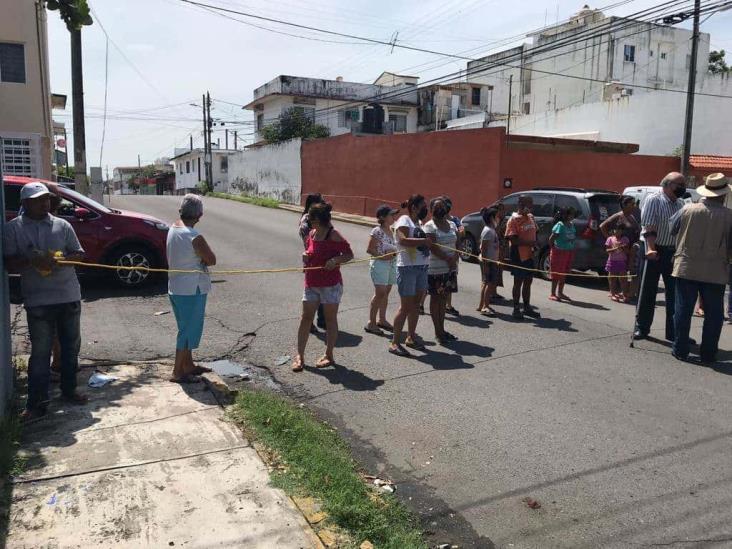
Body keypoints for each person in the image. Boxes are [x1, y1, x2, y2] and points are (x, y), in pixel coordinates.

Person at [3, 182, 87, 420]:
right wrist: (32, 260)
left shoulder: (62, 225)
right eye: (38, 200)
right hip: (38, 301)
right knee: (40, 353)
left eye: (47, 199)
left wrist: (58, 259)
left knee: (71, 348)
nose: (44, 203)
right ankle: (36, 403)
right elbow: (9, 264)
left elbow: (79, 255)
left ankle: (69, 391)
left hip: (68, 296)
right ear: (25, 203)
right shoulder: (13, 229)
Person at [670, 173, 732, 363]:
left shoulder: (687, 209)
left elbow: (673, 229)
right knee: (714, 315)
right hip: (715, 270)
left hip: (686, 266)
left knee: (683, 309)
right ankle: (708, 353)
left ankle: (680, 349)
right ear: (723, 195)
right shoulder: (729, 216)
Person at [293, 203, 353, 371]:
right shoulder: (312, 234)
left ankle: (329, 354)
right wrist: (306, 256)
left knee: (329, 320)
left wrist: (335, 261)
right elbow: (310, 253)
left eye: (309, 218)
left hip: (330, 285)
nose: (308, 221)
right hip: (311, 282)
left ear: (317, 219)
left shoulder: (333, 235)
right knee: (306, 318)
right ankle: (300, 356)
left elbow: (349, 254)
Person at [633, 172, 689, 342]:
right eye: (678, 185)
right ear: (666, 184)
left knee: (674, 292)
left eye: (683, 185)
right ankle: (642, 327)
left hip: (672, 252)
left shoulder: (680, 203)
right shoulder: (654, 199)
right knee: (648, 290)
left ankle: (673, 332)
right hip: (653, 249)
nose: (682, 188)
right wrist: (650, 249)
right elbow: (649, 226)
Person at [167, 194, 216, 383]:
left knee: (184, 327)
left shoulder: (173, 229)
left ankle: (188, 364)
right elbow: (211, 259)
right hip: (191, 289)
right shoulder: (194, 236)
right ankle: (177, 371)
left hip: (176, 286)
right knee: (187, 330)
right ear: (199, 215)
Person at [389, 194, 430, 357]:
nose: (425, 209)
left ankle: (411, 337)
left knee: (416, 305)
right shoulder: (404, 220)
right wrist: (423, 242)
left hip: (421, 267)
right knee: (405, 306)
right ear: (414, 207)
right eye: (423, 206)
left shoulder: (418, 222)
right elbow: (403, 240)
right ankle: (394, 342)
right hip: (407, 268)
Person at [424, 197, 459, 344]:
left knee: (443, 299)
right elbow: (432, 246)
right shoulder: (429, 226)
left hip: (450, 269)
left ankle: (442, 329)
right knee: (436, 299)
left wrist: (455, 257)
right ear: (432, 210)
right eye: (437, 207)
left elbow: (457, 243)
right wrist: (447, 258)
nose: (441, 209)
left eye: (443, 206)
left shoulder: (451, 224)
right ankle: (438, 332)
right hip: (435, 269)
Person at [505, 195, 540, 320]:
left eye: (531, 204)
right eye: (528, 203)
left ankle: (527, 307)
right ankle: (516, 308)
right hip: (518, 255)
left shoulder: (531, 217)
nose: (531, 206)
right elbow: (513, 240)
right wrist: (529, 244)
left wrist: (535, 245)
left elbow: (536, 233)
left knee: (528, 281)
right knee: (518, 282)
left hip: (530, 255)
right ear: (520, 203)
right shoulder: (513, 220)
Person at [365, 204, 398, 336]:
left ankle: (382, 320)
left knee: (386, 292)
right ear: (383, 217)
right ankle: (371, 323)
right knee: (380, 292)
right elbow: (370, 250)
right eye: (391, 215)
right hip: (380, 264)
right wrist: (383, 257)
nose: (393, 217)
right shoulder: (376, 231)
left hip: (391, 264)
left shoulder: (393, 230)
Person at [601, 195, 641, 300]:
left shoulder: (632, 216)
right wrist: (611, 240)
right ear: (624, 205)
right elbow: (602, 226)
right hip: (619, 251)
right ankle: (613, 292)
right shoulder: (619, 216)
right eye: (632, 204)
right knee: (614, 272)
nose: (634, 206)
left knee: (625, 272)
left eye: (635, 203)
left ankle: (625, 292)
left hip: (629, 250)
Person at [299, 193, 326, 332]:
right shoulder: (306, 221)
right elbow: (309, 243)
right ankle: (308, 321)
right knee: (312, 294)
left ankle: (322, 319)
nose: (324, 203)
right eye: (321, 202)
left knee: (324, 291)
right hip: (312, 260)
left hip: (322, 260)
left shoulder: (321, 218)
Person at [548, 206, 577, 301]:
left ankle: (560, 293)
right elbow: (551, 239)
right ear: (566, 215)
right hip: (559, 252)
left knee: (563, 273)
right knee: (556, 273)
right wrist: (554, 249)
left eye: (573, 214)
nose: (572, 216)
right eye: (571, 214)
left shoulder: (572, 224)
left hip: (568, 252)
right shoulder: (560, 225)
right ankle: (552, 293)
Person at [477, 207, 500, 317]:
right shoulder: (487, 231)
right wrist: (486, 264)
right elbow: (484, 249)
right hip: (488, 261)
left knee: (487, 283)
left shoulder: (492, 230)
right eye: (496, 216)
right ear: (491, 218)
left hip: (492, 260)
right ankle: (485, 306)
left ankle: (482, 304)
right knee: (489, 283)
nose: (498, 218)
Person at [443, 196, 462, 317]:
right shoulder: (436, 221)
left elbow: (461, 231)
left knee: (450, 281)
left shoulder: (455, 220)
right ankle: (421, 304)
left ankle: (448, 305)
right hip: (440, 258)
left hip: (453, 255)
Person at [605, 225, 631, 302]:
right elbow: (607, 250)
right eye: (615, 230)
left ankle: (625, 295)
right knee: (612, 279)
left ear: (622, 231)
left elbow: (627, 251)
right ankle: (613, 294)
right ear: (613, 230)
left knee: (623, 279)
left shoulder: (625, 239)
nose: (617, 231)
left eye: (619, 230)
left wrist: (623, 247)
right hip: (612, 261)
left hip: (622, 261)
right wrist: (615, 248)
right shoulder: (610, 239)